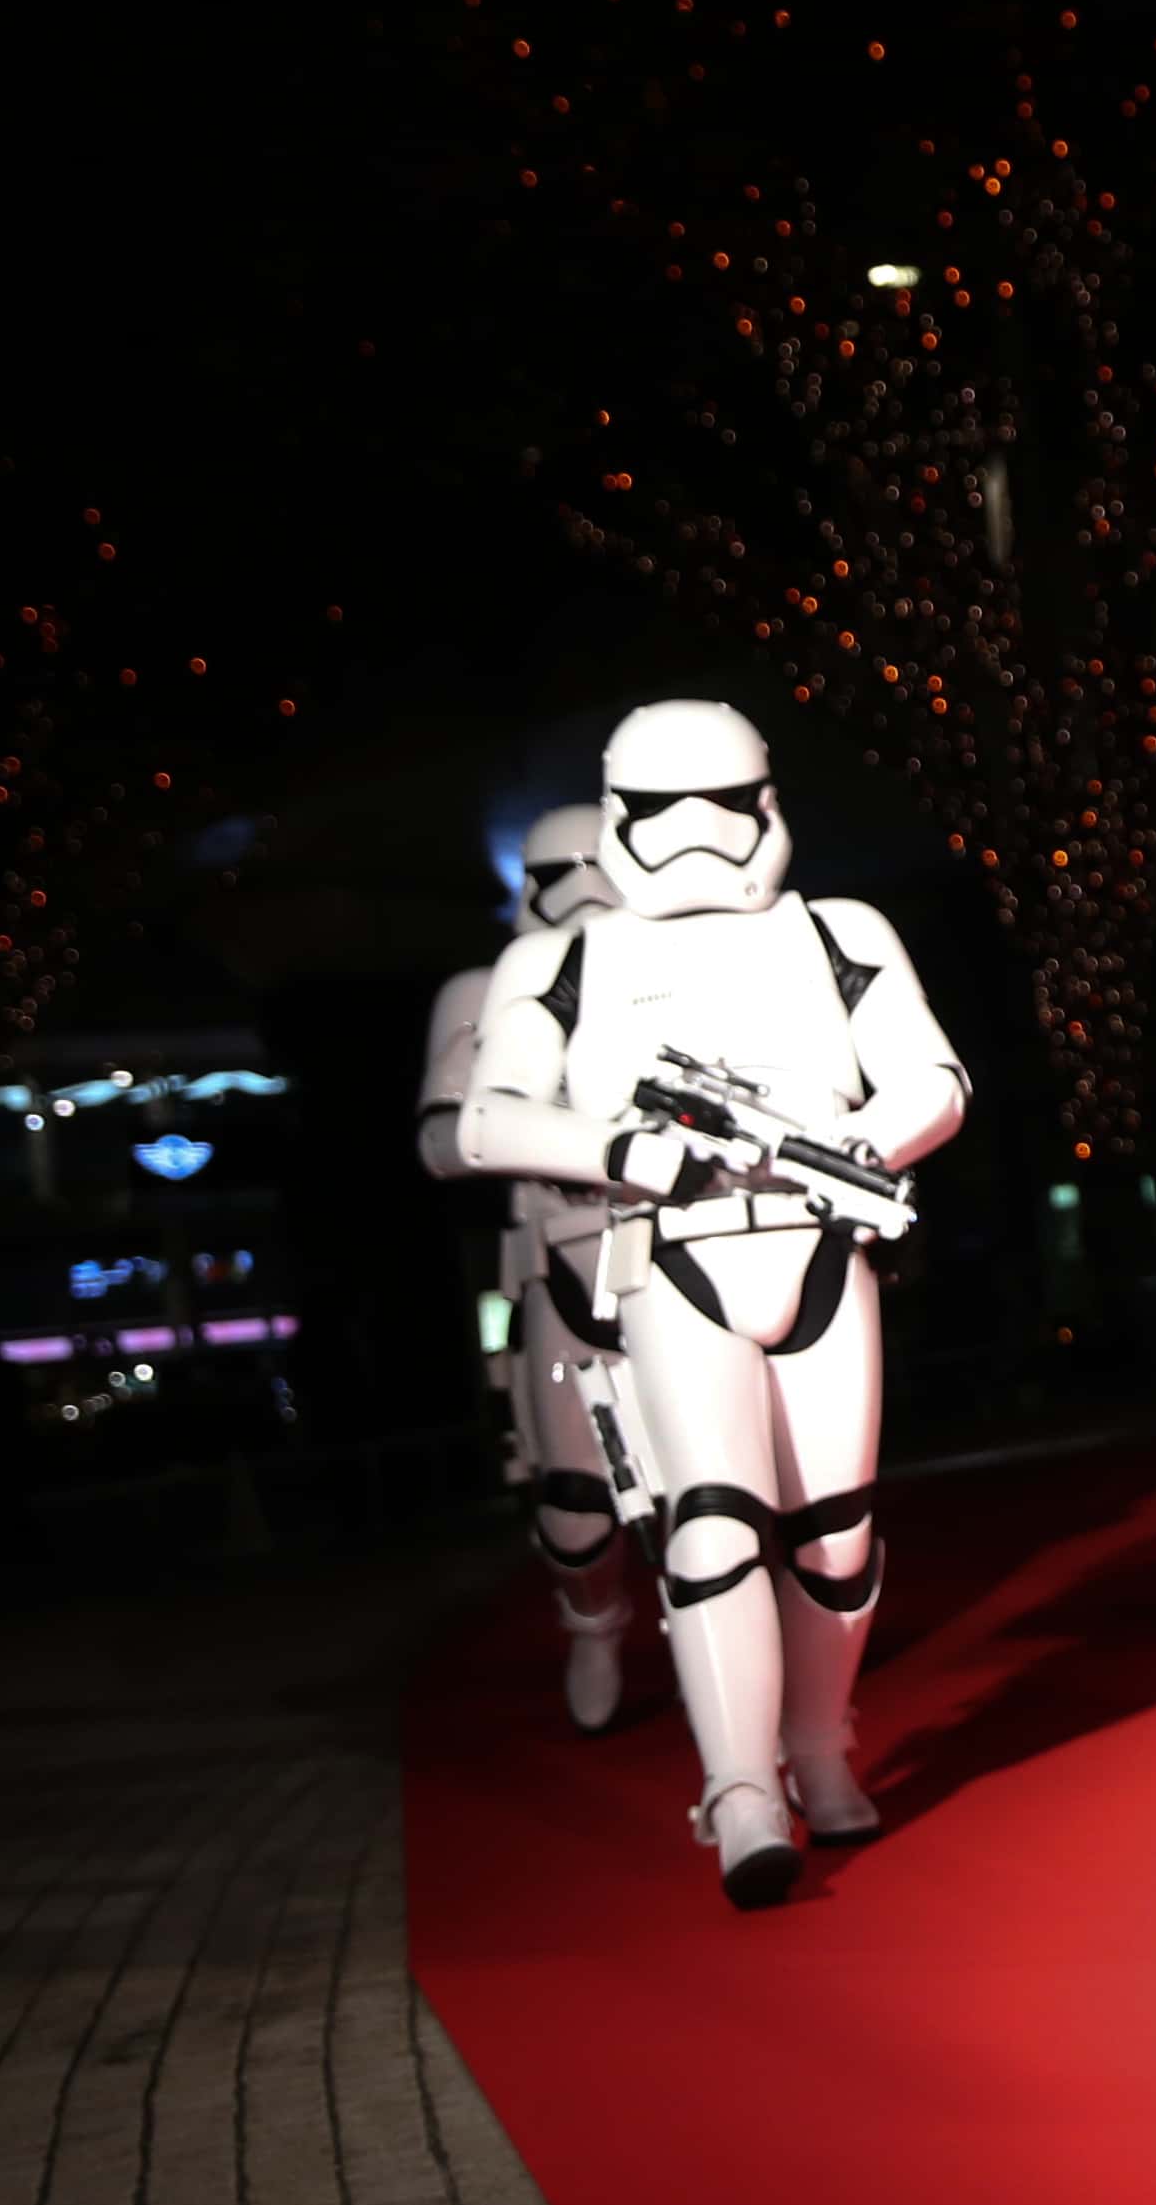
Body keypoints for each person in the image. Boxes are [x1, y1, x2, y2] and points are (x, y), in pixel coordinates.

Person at [459, 700, 970, 1908]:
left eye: (722, 808)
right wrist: (635, 1153)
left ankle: (818, 1740)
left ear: (767, 807)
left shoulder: (834, 930)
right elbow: (489, 1119)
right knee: (714, 1519)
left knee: (837, 1541)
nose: (696, 838)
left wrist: (846, 1142)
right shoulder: (567, 959)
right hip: (667, 1250)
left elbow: (933, 1079)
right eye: (662, 813)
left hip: (817, 1240)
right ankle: (738, 1786)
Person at [413, 799, 636, 1729]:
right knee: (577, 1504)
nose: (582, 891)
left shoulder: (684, 967)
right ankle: (594, 1628)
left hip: (694, 1249)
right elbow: (444, 1133)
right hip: (567, 1256)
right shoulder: (490, 989)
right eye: (557, 873)